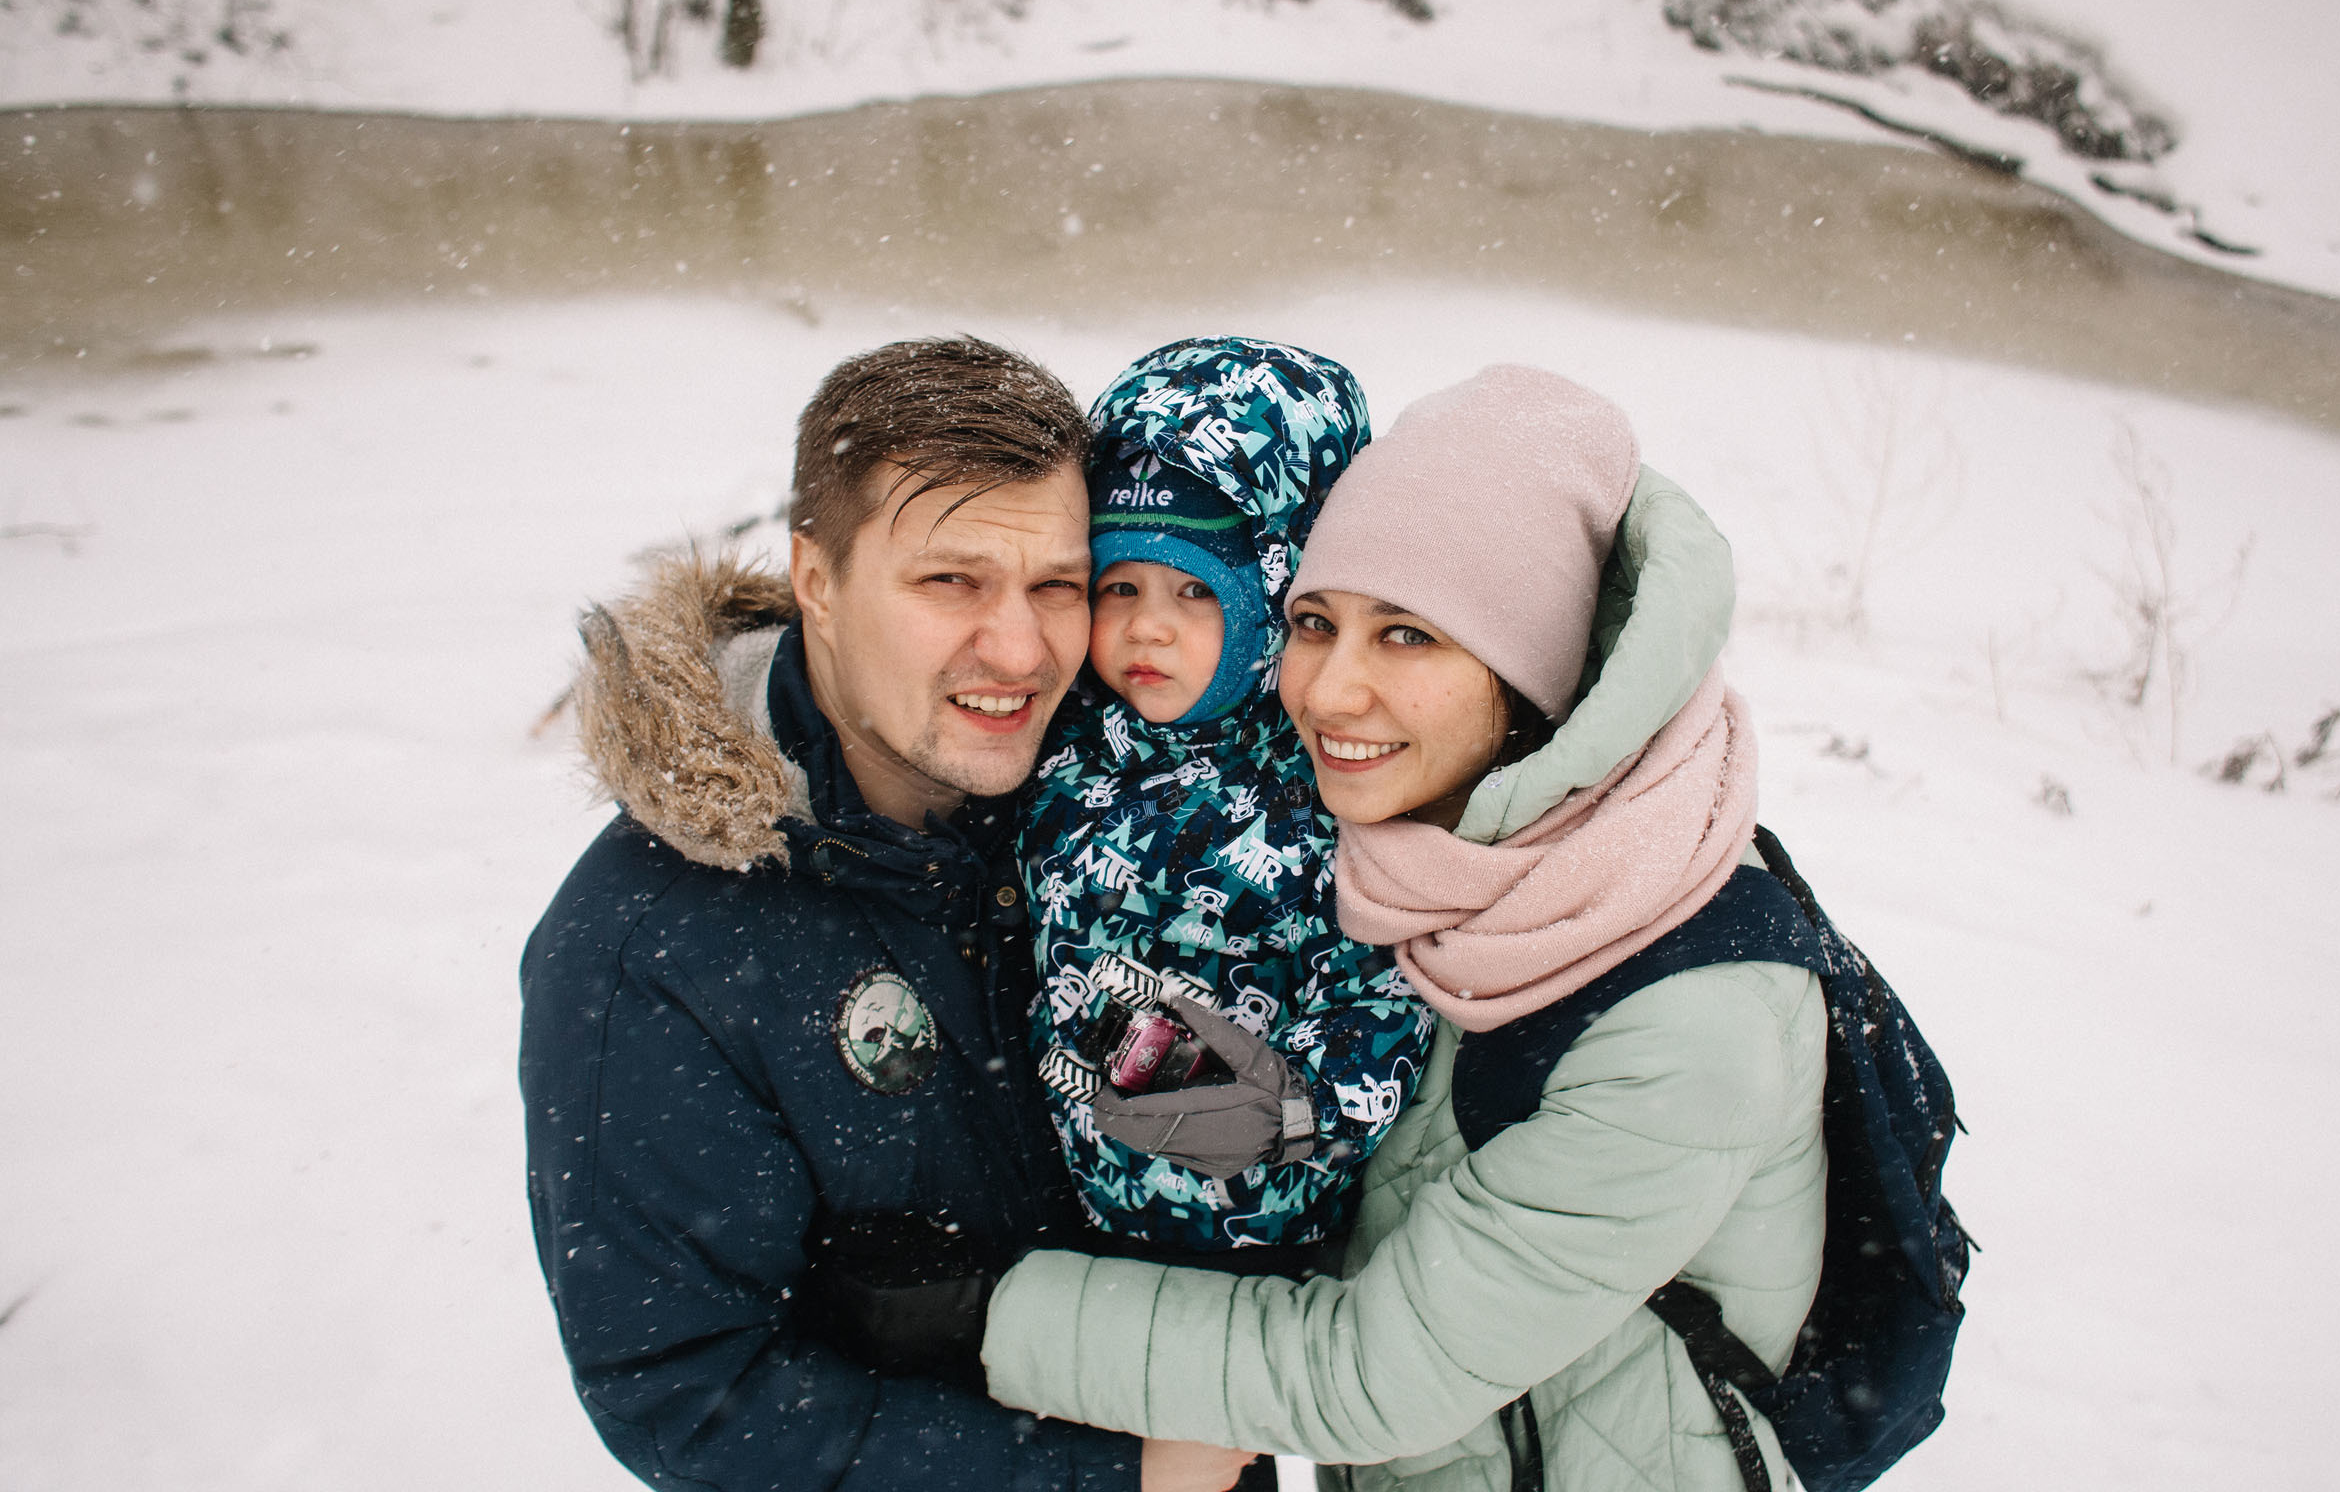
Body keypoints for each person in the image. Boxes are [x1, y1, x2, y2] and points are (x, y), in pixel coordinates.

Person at [982, 365, 1833, 1492]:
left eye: (1411, 637)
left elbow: (1374, 1374)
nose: (1328, 694)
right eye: (1316, 624)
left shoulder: (1689, 1012)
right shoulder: (1429, 869)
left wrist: (977, 1316)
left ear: (1535, 670)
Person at [519, 336, 1147, 1492]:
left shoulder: (1125, 816)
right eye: (950, 580)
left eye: (1055, 584)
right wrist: (1108, 1476)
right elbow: (687, 1391)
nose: (1020, 647)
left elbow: (1238, 1129)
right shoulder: (648, 947)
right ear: (817, 576)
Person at [1020, 338, 1434, 1257]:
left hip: (1267, 1234)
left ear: (1277, 591)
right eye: (1117, 585)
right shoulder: (1062, 751)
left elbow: (1389, 994)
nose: (1146, 626)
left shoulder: (1333, 778)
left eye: (1197, 593)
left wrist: (1302, 1105)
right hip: (1076, 1210)